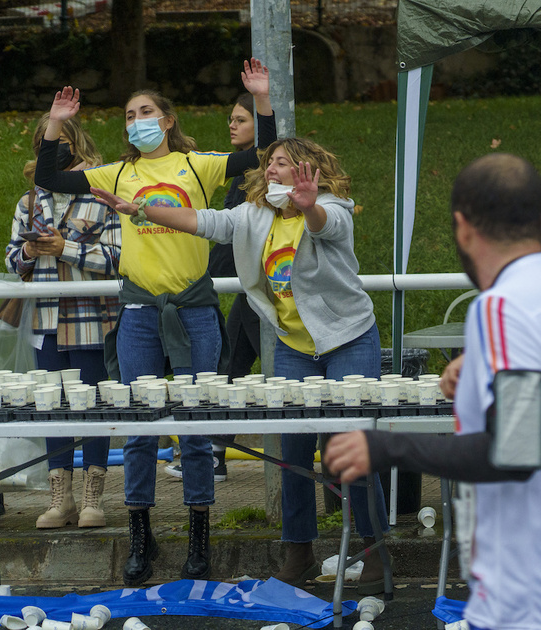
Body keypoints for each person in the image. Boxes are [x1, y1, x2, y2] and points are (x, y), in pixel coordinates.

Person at [323, 153, 541, 630]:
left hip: (539, 582)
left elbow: (513, 451)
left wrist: (384, 445)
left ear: (464, 228)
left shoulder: (506, 307)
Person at [91, 136, 392, 595]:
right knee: (292, 450)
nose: (272, 168)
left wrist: (309, 207)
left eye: (284, 163)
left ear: (308, 172)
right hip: (293, 346)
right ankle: (299, 553)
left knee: (351, 444)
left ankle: (373, 549)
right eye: (270, 162)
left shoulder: (334, 206)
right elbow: (201, 220)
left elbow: (325, 225)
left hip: (347, 339)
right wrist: (140, 210)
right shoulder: (253, 216)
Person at [35, 58, 275, 586]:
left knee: (194, 429)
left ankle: (198, 538)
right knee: (141, 428)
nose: (136, 120)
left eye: (145, 111)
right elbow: (50, 175)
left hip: (195, 311)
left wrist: (261, 98)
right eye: (128, 115)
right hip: (140, 313)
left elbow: (259, 156)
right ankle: (139, 536)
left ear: (166, 120)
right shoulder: (116, 174)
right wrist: (56, 122)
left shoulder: (198, 165)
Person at [5, 113, 120, 530]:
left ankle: (94, 498)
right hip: (44, 321)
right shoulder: (30, 201)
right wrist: (31, 254)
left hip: (91, 319)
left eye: (59, 141)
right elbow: (11, 257)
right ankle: (61, 499)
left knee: (91, 405)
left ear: (78, 142)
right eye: (44, 143)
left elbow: (117, 257)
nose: (50, 149)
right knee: (52, 408)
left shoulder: (101, 193)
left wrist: (66, 247)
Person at [165, 92, 262, 484]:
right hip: (246, 289)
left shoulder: (258, 172)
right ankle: (212, 455)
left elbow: (234, 239)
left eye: (241, 119)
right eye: (231, 118)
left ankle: (210, 456)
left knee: (249, 370)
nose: (232, 125)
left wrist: (211, 273)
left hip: (261, 288)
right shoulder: (240, 173)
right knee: (233, 368)